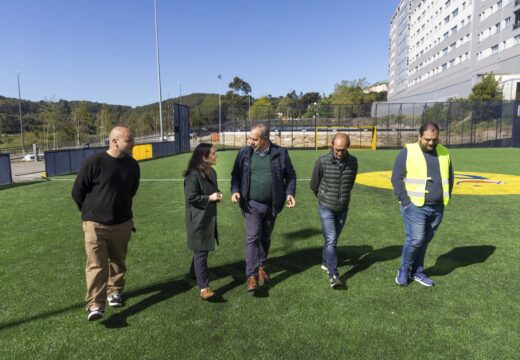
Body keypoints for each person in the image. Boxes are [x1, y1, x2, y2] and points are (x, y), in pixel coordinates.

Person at [71, 126, 140, 321]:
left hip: (122, 223)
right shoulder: (94, 162)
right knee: (96, 265)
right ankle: (95, 305)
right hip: (95, 224)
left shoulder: (133, 165)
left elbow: (131, 190)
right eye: (129, 140)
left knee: (118, 261)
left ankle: (115, 292)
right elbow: (78, 191)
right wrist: (90, 213)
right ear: (114, 141)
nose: (133, 143)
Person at [231, 123, 296, 292]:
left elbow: (290, 175)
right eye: (250, 138)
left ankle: (261, 266)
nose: (250, 141)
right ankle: (251, 276)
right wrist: (235, 190)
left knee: (265, 238)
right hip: (251, 204)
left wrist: (290, 193)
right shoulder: (244, 154)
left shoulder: (280, 153)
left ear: (265, 139)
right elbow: (235, 175)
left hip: (273, 205)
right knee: (253, 237)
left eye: (254, 139)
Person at [391, 121, 454, 287]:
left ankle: (417, 271)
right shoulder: (409, 150)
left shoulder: (444, 152)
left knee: (425, 240)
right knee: (415, 239)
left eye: (434, 139)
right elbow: (396, 178)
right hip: (415, 206)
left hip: (438, 207)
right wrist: (405, 202)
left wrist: (446, 196)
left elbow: (450, 176)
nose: (431, 142)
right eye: (427, 139)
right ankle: (404, 270)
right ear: (419, 136)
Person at [310, 133, 358, 288]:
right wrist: (324, 197)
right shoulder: (322, 161)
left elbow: (350, 183)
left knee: (333, 239)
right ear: (331, 146)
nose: (339, 153)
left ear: (348, 147)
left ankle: (325, 261)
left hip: (343, 207)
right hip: (326, 207)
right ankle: (333, 274)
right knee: (331, 239)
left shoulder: (353, 162)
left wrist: (342, 198)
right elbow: (314, 184)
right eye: (336, 149)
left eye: (342, 150)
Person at [183, 143, 222, 300]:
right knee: (201, 251)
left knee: (201, 249)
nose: (216, 155)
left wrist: (217, 195)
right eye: (213, 153)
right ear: (204, 157)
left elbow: (214, 190)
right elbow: (191, 197)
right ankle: (204, 288)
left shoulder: (212, 172)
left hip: (208, 216)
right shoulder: (192, 175)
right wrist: (210, 198)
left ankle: (193, 272)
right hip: (197, 219)